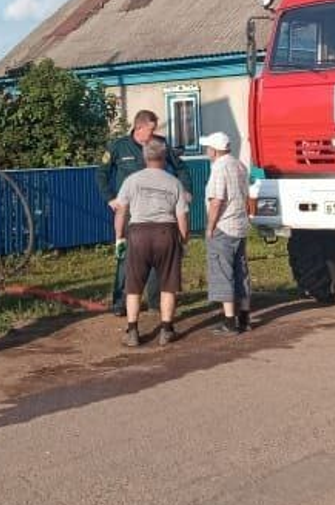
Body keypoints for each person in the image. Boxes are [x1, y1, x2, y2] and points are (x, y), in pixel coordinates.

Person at [99, 110, 183, 312]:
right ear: (139, 127)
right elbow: (101, 173)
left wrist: (185, 190)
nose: (153, 134)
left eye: (155, 130)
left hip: (156, 210)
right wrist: (111, 198)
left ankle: (155, 302)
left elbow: (181, 168)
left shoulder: (159, 145)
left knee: (156, 256)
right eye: (150, 130)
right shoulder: (118, 146)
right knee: (124, 255)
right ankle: (120, 303)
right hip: (128, 210)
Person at [112, 140, 190, 348]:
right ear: (164, 158)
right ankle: (166, 329)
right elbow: (182, 216)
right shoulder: (174, 182)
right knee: (168, 285)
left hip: (138, 234)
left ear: (145, 157)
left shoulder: (132, 180)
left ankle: (132, 330)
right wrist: (184, 240)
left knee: (134, 286)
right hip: (167, 232)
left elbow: (121, 211)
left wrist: (119, 237)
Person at [201, 132, 254, 335]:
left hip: (223, 226)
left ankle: (229, 321)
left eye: (208, 148)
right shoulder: (239, 165)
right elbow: (247, 195)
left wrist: (210, 226)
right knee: (241, 271)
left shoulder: (219, 168)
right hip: (240, 225)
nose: (207, 152)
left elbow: (217, 200)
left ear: (214, 150)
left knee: (223, 271)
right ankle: (245, 317)